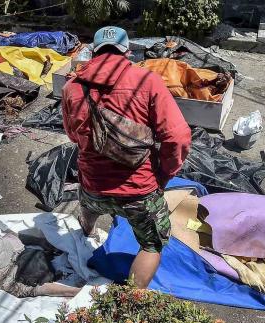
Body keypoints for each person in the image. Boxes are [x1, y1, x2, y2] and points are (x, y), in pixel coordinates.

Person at [62, 26, 191, 289]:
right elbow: (177, 137)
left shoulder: (71, 87)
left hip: (92, 187)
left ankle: (85, 232)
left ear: (93, 51)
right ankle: (129, 302)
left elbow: (73, 135)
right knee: (151, 244)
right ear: (128, 52)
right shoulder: (147, 81)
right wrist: (165, 174)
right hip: (139, 191)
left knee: (89, 207)